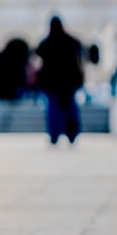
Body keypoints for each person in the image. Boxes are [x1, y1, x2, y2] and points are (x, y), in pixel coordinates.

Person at [36, 16, 84, 146]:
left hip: (52, 83)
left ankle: (54, 135)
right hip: (69, 82)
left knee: (53, 109)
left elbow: (39, 58)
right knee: (70, 108)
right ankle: (72, 134)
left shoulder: (46, 43)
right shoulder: (71, 42)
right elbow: (79, 61)